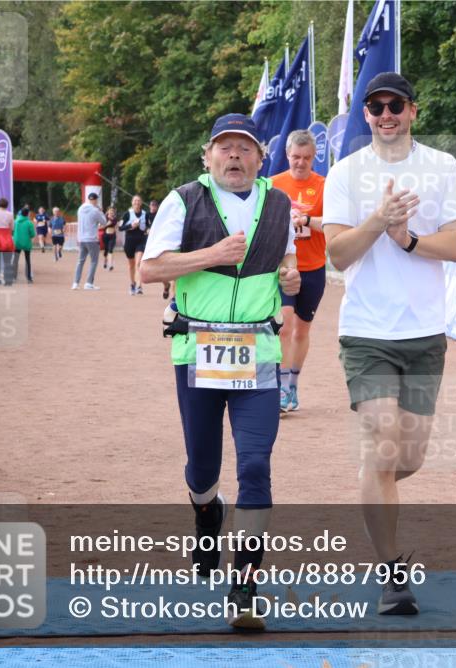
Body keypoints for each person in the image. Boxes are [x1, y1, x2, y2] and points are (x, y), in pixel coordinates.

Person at [139, 113, 300, 630]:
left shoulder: (278, 203)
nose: (235, 156)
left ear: (260, 157)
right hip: (197, 350)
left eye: (245, 148)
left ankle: (245, 587)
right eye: (225, 148)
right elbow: (150, 268)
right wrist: (213, 253)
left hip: (258, 352)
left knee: (256, 467)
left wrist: (291, 277)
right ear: (207, 156)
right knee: (202, 471)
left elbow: (288, 271)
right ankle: (206, 512)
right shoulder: (182, 200)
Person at [323, 72, 456, 615]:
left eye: (395, 105)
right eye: (376, 106)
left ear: (412, 110)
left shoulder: (442, 167)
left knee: (407, 458)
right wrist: (379, 220)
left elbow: (455, 245)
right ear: (365, 115)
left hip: (425, 333)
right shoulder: (345, 172)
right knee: (384, 442)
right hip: (366, 332)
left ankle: (372, 488)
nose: (386, 114)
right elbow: (337, 254)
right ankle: (391, 575)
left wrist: (406, 239)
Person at [270, 130, 328, 412]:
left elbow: (333, 223)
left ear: (313, 157)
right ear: (287, 155)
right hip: (283, 268)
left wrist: (305, 219)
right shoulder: (273, 184)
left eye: (306, 158)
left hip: (314, 267)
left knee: (301, 331)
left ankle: (292, 384)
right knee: (285, 325)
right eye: (295, 157)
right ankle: (279, 387)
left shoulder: (325, 185)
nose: (300, 163)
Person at [73, 192, 104, 290]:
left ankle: (75, 283)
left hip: (81, 238)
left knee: (80, 261)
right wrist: (101, 211)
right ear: (95, 200)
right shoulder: (95, 210)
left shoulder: (80, 208)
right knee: (94, 261)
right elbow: (104, 222)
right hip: (91, 239)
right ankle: (89, 283)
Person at [120, 195, 149, 294]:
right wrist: (130, 225)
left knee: (139, 263)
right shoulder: (127, 214)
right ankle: (132, 284)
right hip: (129, 241)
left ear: (141, 203)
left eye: (138, 201)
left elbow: (149, 226)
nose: (137, 202)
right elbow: (120, 228)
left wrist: (148, 229)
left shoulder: (145, 214)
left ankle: (139, 286)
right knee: (131, 265)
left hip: (141, 241)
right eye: (135, 200)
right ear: (132, 202)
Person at [148, 198, 171, 299]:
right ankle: (166, 286)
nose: (153, 207)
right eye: (151, 205)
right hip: (154, 246)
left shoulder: (163, 216)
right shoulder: (147, 216)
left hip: (166, 244)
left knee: (176, 270)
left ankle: (174, 297)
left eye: (154, 205)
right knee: (162, 271)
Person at [13, 206, 35, 283]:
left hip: (16, 243)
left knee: (15, 260)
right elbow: (32, 234)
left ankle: (14, 277)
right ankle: (29, 278)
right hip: (26, 243)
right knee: (27, 260)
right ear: (27, 214)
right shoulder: (29, 223)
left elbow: (12, 232)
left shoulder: (15, 221)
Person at [102, 205, 118, 272]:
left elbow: (116, 227)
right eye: (110, 210)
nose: (111, 212)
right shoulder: (104, 218)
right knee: (106, 251)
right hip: (105, 236)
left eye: (112, 211)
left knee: (110, 250)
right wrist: (106, 224)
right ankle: (105, 262)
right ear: (108, 211)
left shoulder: (115, 219)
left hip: (112, 236)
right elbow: (101, 226)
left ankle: (110, 265)